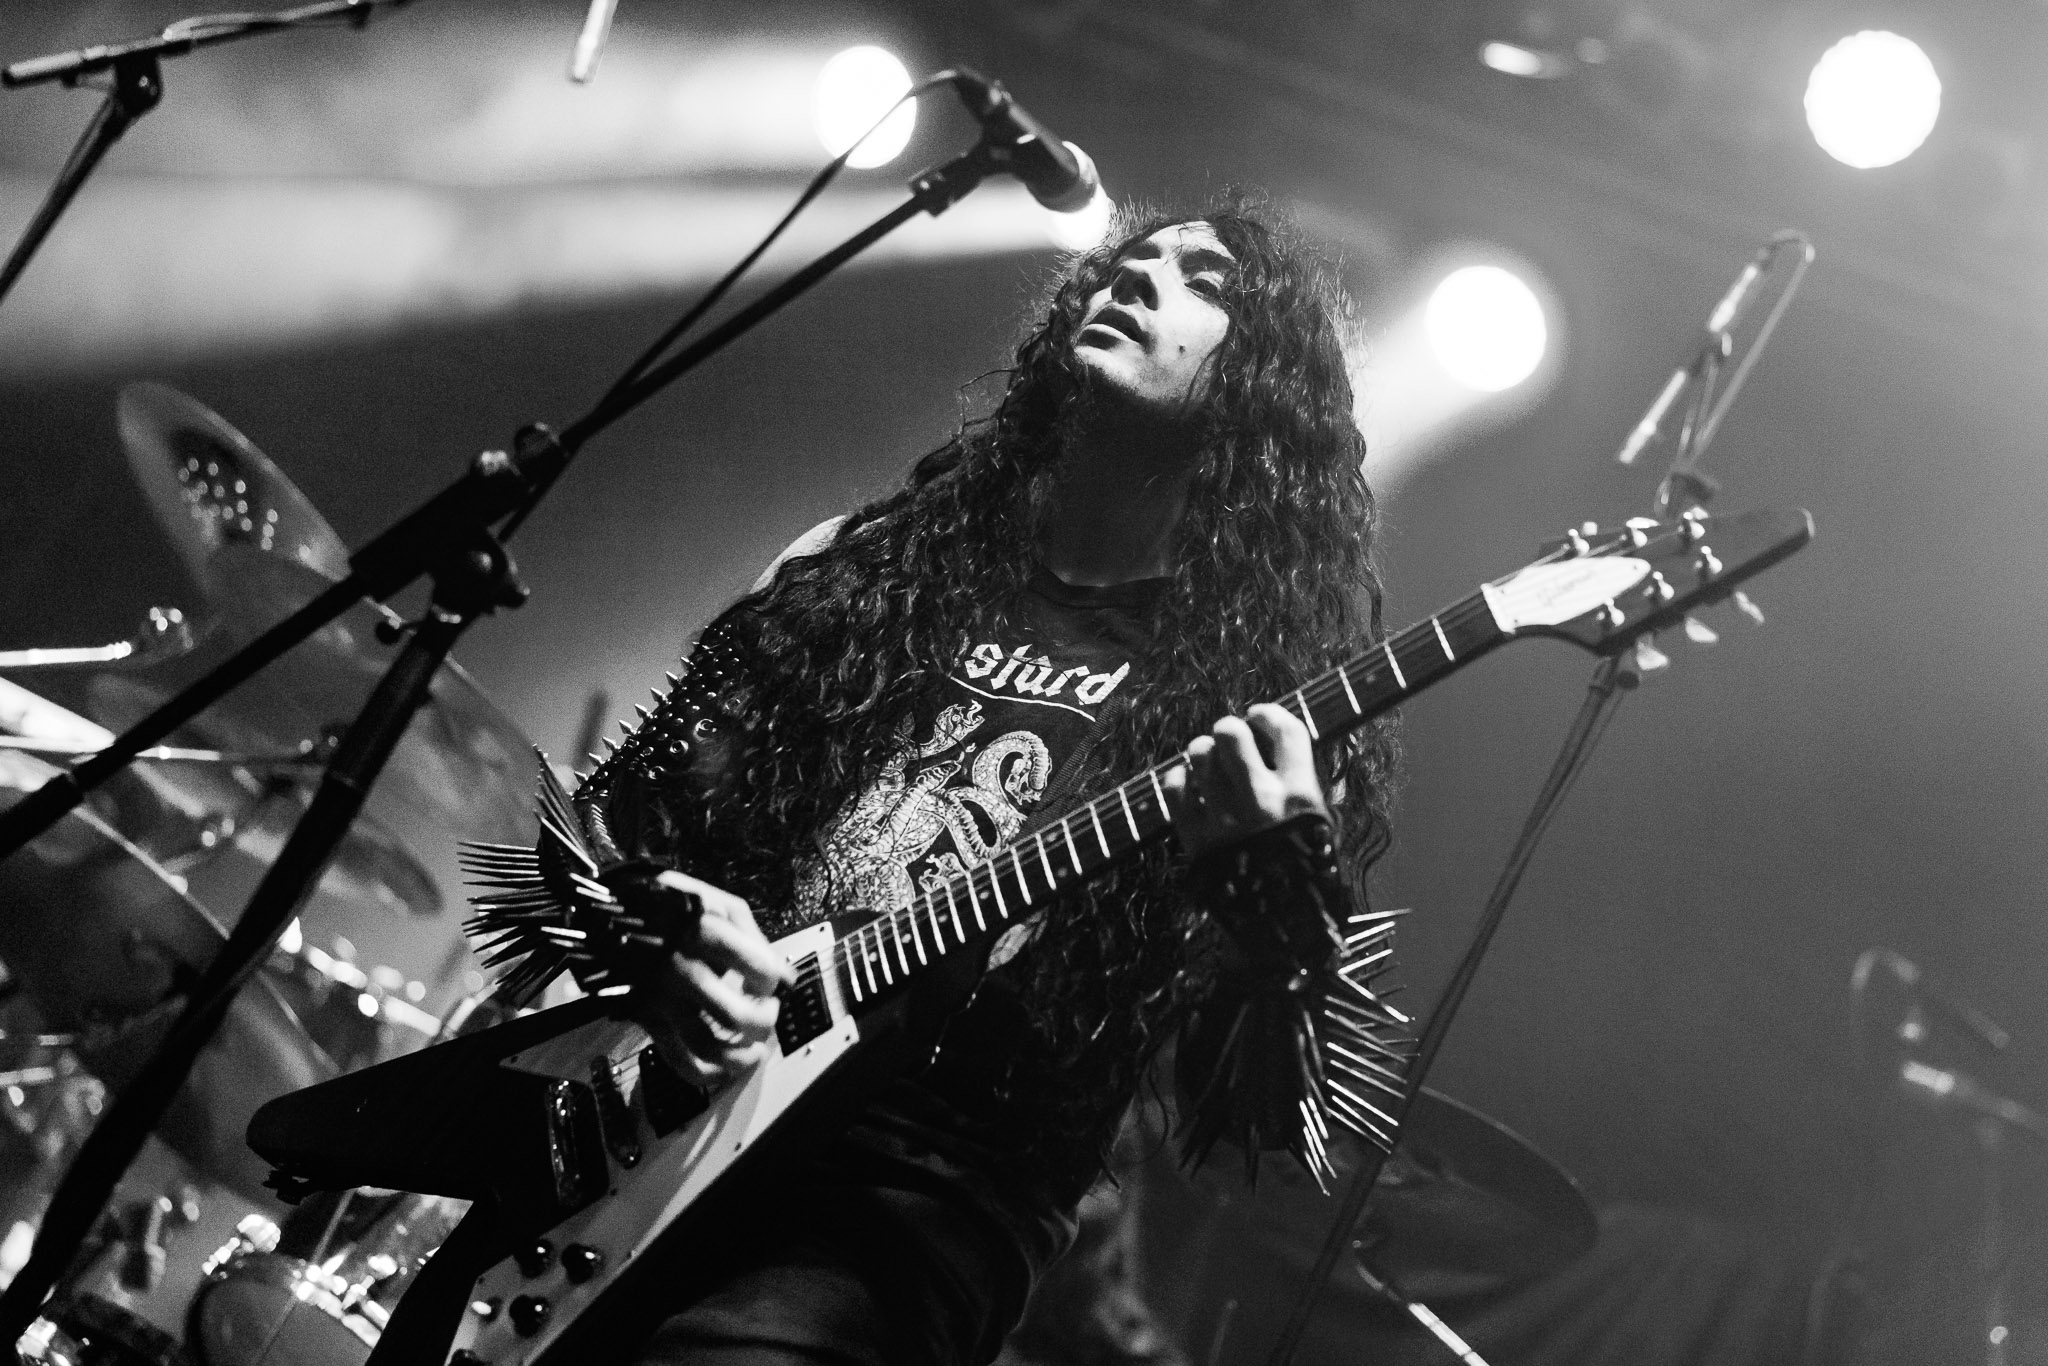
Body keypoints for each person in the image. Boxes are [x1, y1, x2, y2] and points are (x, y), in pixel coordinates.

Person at [561, 195, 1406, 1365]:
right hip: (658, 1123)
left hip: (908, 1213)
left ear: (1265, 394)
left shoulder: (1254, 705)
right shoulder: (864, 570)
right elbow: (605, 830)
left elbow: (1253, 1116)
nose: (1134, 278)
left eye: (1202, 283)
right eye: (1129, 260)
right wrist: (663, 933)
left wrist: (1278, 905)